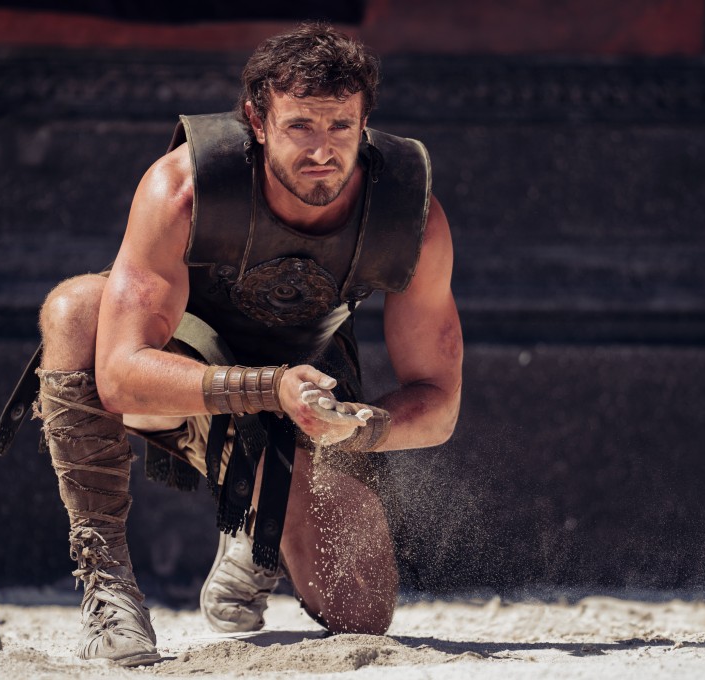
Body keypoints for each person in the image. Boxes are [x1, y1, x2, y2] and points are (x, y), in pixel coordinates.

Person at [27, 22, 462, 666]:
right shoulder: (183, 188)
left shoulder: (409, 216)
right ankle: (108, 589)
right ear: (258, 121)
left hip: (310, 402)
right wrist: (268, 388)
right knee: (76, 310)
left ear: (365, 122)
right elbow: (119, 375)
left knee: (361, 608)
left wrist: (355, 426)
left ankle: (255, 501)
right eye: (300, 127)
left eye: (341, 126)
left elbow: (439, 405)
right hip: (180, 379)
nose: (324, 151)